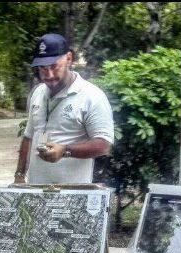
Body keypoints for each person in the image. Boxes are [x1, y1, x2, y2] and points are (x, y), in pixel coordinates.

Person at [14, 33, 114, 184]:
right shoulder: (38, 93)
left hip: (73, 195)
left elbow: (103, 145)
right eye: (43, 68)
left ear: (68, 58)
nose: (49, 75)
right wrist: (19, 175)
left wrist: (66, 150)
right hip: (36, 192)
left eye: (54, 66)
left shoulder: (92, 96)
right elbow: (29, 137)